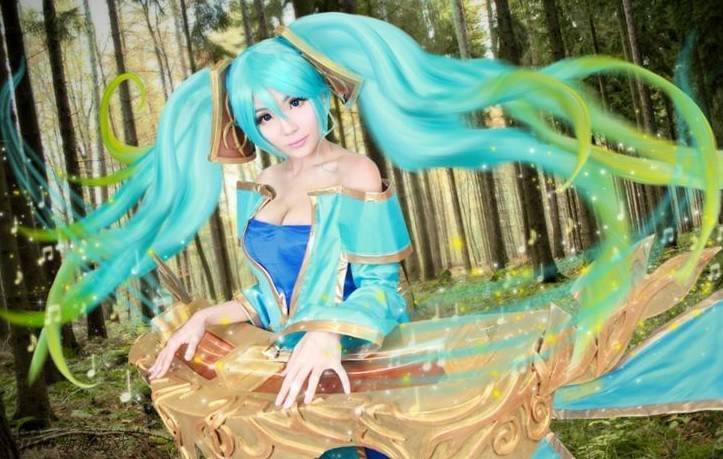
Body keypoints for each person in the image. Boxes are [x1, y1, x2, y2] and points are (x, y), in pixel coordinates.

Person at [2, 10, 721, 459]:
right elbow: (272, 293)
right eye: (264, 117)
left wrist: (326, 334)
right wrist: (211, 316)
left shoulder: (356, 171)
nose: (286, 125)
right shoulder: (265, 182)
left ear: (322, 95)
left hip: (361, 369)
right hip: (289, 370)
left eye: (293, 102)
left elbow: (380, 287)